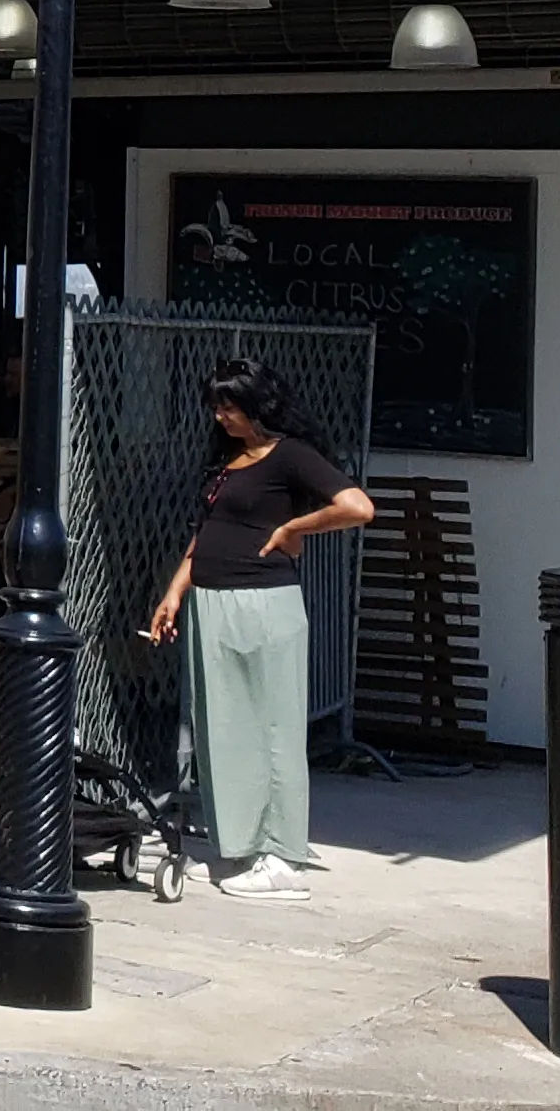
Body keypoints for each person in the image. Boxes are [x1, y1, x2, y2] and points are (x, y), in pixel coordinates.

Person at [144, 358, 373, 901]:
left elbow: (358, 507)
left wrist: (294, 526)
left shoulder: (290, 455)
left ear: (259, 405)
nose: (221, 416)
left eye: (231, 406)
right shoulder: (228, 459)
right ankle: (241, 845)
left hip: (263, 602)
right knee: (222, 727)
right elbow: (209, 531)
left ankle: (282, 854)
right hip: (213, 599)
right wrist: (176, 591)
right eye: (217, 406)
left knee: (272, 727)